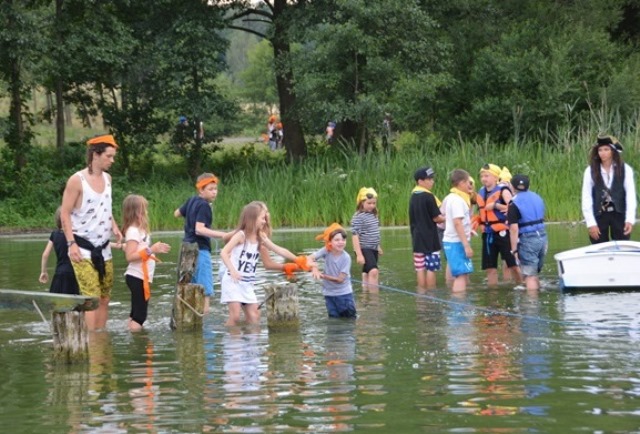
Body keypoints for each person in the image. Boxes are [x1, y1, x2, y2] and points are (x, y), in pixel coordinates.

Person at [60, 134, 122, 331]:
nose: (112, 160)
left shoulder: (108, 178)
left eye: (113, 156)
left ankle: (101, 338)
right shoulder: (77, 180)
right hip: (83, 248)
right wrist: (71, 244)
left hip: (104, 248)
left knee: (104, 297)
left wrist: (114, 226)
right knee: (91, 298)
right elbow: (64, 212)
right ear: (95, 154)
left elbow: (104, 207)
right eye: (109, 156)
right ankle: (91, 342)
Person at [220, 202, 301, 327]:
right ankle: (231, 338)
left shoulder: (261, 237)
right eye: (262, 218)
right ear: (252, 219)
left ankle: (251, 339)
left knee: (255, 316)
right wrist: (233, 270)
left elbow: (278, 249)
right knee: (235, 316)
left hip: (247, 283)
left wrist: (298, 259)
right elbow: (224, 252)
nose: (264, 221)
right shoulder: (241, 235)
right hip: (233, 281)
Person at [174, 173, 227, 315]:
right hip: (200, 250)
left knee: (190, 289)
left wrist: (189, 213)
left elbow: (176, 213)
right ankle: (205, 320)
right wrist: (223, 235)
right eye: (210, 189)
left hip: (187, 250)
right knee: (205, 291)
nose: (214, 192)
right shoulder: (204, 206)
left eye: (215, 189)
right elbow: (200, 229)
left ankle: (189, 318)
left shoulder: (192, 200)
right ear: (201, 190)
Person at [121, 195, 171, 332]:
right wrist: (151, 250)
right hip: (136, 276)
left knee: (135, 313)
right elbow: (130, 256)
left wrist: (154, 250)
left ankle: (131, 333)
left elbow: (138, 250)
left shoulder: (140, 231)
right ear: (137, 213)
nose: (147, 213)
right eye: (145, 210)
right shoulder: (133, 231)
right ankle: (136, 340)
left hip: (141, 277)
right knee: (140, 316)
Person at [581, 134, 636, 244]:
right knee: (598, 246)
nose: (603, 153)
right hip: (599, 214)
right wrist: (591, 223)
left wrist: (629, 220)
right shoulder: (590, 170)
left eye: (606, 149)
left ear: (613, 151)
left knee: (622, 246)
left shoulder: (625, 169)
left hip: (619, 213)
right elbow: (586, 197)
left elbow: (630, 196)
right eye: (600, 150)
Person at [476, 163, 520, 286]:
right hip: (488, 233)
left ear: (495, 177)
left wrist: (496, 205)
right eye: (482, 176)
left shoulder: (503, 191)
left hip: (503, 233)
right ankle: (493, 293)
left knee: (513, 265)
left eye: (487, 176)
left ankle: (521, 286)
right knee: (490, 268)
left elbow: (514, 208)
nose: (484, 179)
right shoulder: (481, 192)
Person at [508, 175, 547, 291]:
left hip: (528, 240)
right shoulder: (538, 197)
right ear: (528, 186)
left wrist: (514, 250)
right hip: (543, 237)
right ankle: (536, 294)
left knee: (529, 275)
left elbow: (514, 229)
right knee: (534, 273)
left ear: (512, 187)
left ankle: (531, 301)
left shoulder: (514, 203)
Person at [309, 223, 357, 318]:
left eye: (343, 240)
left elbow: (340, 279)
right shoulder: (326, 250)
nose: (341, 242)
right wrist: (315, 268)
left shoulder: (346, 257)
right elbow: (310, 258)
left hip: (344, 295)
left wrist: (322, 275)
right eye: (337, 240)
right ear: (329, 242)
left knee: (349, 320)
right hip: (329, 294)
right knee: (333, 319)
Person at [409, 167, 445, 289]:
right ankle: (431, 292)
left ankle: (421, 293)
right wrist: (447, 218)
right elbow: (436, 218)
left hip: (416, 237)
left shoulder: (413, 196)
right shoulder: (429, 196)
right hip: (430, 238)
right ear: (420, 181)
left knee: (420, 268)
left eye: (432, 179)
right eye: (428, 179)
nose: (432, 181)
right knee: (431, 267)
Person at [442, 169, 474, 292]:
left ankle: (462, 300)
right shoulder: (457, 200)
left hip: (456, 241)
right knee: (460, 276)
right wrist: (466, 246)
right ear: (461, 183)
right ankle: (458, 302)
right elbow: (457, 222)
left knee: (463, 273)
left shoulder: (453, 198)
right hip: (456, 242)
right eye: (468, 182)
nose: (470, 185)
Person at [39, 207, 81, 295]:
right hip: (72, 274)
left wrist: (43, 272)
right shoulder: (76, 235)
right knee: (73, 302)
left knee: (55, 300)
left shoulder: (54, 234)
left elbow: (45, 255)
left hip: (58, 273)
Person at [351, 187, 382, 290]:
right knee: (374, 271)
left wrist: (378, 246)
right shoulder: (358, 216)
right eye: (369, 203)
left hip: (373, 248)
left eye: (374, 203)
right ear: (361, 203)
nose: (372, 205)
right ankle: (374, 297)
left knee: (367, 273)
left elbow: (374, 232)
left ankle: (365, 295)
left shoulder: (373, 215)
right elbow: (355, 236)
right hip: (363, 248)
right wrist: (359, 254)